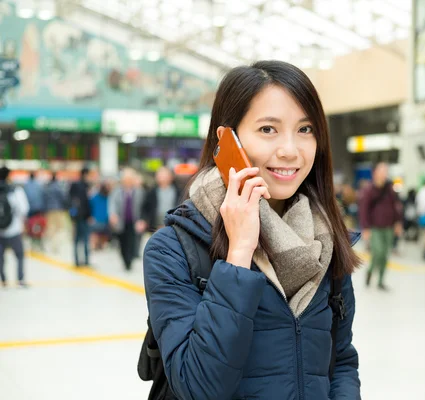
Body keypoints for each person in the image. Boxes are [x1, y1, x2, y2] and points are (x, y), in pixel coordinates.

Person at [143, 61, 361, 399]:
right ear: (227, 139)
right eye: (268, 130)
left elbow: (341, 360)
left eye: (305, 129)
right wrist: (239, 255)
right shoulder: (172, 249)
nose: (290, 150)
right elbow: (198, 387)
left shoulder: (326, 239)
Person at [359, 162, 403, 290]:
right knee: (377, 252)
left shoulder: (390, 189)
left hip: (389, 227)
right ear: (375, 173)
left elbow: (396, 207)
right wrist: (365, 227)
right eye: (381, 170)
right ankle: (370, 271)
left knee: (385, 255)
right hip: (375, 228)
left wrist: (398, 222)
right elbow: (363, 210)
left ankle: (381, 281)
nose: (384, 173)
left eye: (386, 171)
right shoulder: (369, 190)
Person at [109, 168, 146, 271]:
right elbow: (112, 203)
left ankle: (130, 260)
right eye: (126, 179)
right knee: (122, 241)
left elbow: (144, 206)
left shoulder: (139, 191)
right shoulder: (117, 191)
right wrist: (113, 214)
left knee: (132, 241)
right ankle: (125, 259)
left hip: (134, 221)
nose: (128, 181)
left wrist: (142, 220)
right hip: (121, 221)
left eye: (130, 179)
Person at [0, 166, 30, 287]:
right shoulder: (15, 190)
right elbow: (24, 209)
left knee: (1, 257)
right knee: (19, 255)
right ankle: (20, 280)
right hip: (14, 229)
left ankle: (3, 280)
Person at [142, 167, 181, 233]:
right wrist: (144, 221)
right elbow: (145, 208)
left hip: (174, 228)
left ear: (171, 177)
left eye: (164, 175)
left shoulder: (178, 191)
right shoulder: (151, 192)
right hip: (154, 227)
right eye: (159, 175)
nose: (162, 178)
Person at [69, 167, 92, 267]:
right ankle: (85, 261)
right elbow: (87, 203)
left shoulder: (75, 185)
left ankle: (77, 261)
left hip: (77, 216)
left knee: (77, 240)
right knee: (85, 239)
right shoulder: (85, 186)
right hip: (83, 216)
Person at [44, 172, 69, 254]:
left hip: (49, 210)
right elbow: (64, 198)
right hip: (58, 210)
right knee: (59, 229)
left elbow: (45, 198)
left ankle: (50, 245)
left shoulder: (48, 187)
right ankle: (56, 246)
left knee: (51, 228)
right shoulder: (59, 187)